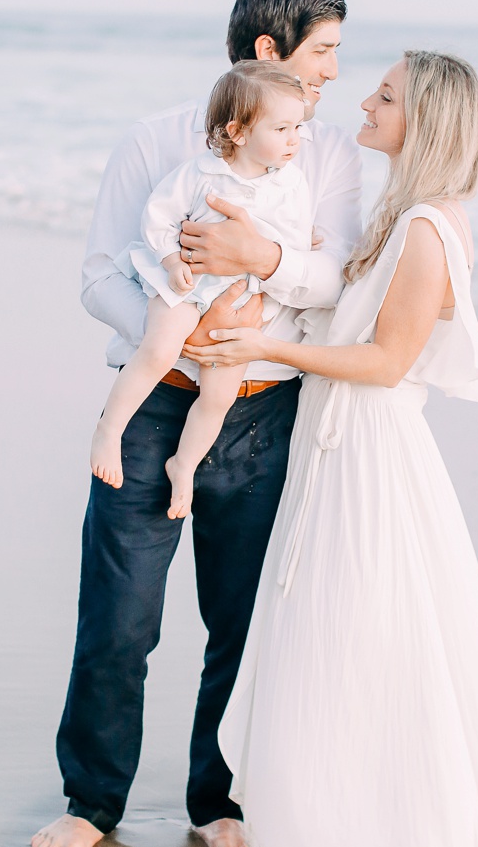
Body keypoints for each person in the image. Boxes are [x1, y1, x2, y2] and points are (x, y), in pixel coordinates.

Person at [185, 50, 478, 847]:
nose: (364, 100)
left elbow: (386, 363)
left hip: (371, 454)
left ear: (423, 119)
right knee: (332, 633)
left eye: (385, 96)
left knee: (370, 635)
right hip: (334, 441)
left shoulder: (429, 226)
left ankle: (381, 833)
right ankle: (322, 810)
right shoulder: (399, 213)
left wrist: (263, 350)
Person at [31, 0, 362, 847]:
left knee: (241, 620)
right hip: (158, 406)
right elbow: (100, 274)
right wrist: (183, 338)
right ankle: (92, 800)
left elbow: (335, 283)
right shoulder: (153, 143)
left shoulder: (327, 156)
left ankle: (218, 803)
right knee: (120, 617)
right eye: (325, 51)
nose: (335, 71)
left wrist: (261, 256)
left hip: (262, 413)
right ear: (270, 51)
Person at [91, 62, 313, 519]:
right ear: (239, 131)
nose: (296, 139)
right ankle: (110, 430)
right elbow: (158, 218)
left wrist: (296, 245)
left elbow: (292, 243)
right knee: (157, 351)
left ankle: (184, 465)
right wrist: (172, 262)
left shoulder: (291, 183)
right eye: (283, 128)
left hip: (237, 300)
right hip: (187, 283)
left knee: (219, 394)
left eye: (299, 127)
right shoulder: (201, 174)